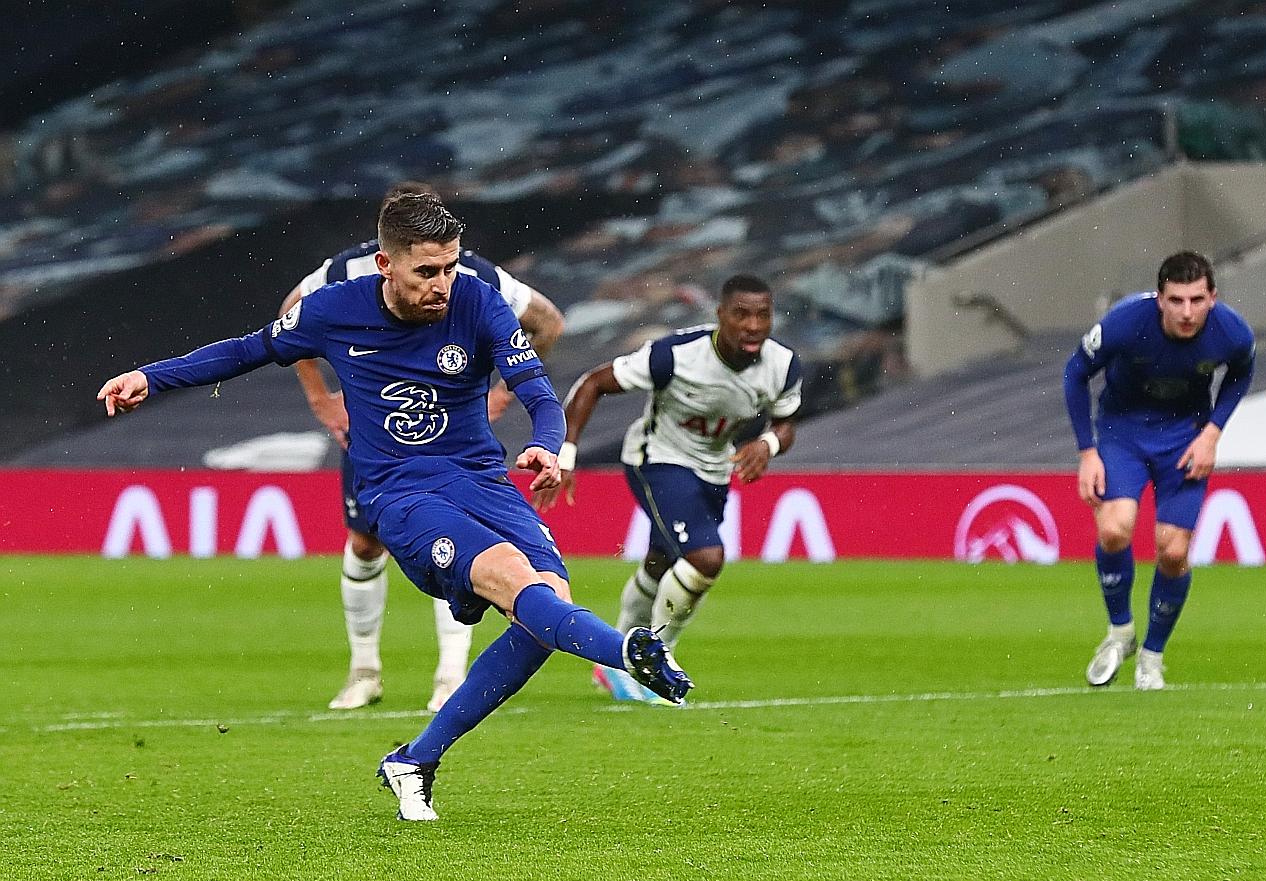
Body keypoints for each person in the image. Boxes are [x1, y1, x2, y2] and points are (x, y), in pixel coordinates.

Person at [98, 192, 691, 821]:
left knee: (547, 613)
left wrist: (547, 444)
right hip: (401, 494)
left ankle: (415, 760)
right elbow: (244, 351)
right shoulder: (333, 309)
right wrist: (150, 377)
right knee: (518, 583)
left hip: (483, 482)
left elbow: (538, 392)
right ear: (386, 264)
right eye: (426, 271)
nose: (442, 284)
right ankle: (626, 653)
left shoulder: (478, 300)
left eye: (450, 267)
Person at [278, 182, 567, 713]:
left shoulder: (474, 276)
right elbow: (289, 315)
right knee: (365, 544)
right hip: (381, 434)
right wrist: (322, 399)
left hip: (454, 439)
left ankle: (450, 675)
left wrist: (500, 394)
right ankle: (364, 671)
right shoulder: (346, 270)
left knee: (463, 543)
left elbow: (547, 322)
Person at [533, 274, 800, 703]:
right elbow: (593, 383)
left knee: (661, 562)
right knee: (705, 558)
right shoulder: (674, 355)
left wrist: (767, 444)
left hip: (713, 470)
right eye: (741, 315)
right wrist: (565, 453)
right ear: (720, 315)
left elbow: (785, 423)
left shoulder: (782, 366)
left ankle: (613, 660)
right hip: (656, 459)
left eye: (763, 316)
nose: (753, 326)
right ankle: (654, 664)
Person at [1062, 251, 1255, 691]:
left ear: (1212, 298)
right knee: (1114, 529)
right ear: (1159, 299)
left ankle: (1152, 656)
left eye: (1197, 300)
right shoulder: (1125, 322)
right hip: (1123, 433)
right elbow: (1075, 374)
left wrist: (1212, 433)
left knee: (1172, 552)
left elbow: (1242, 373)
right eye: (1176, 300)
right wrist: (1087, 452)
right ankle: (1120, 632)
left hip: (1185, 438)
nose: (1187, 312)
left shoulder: (1232, 331)